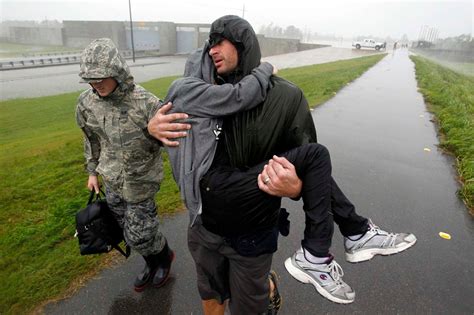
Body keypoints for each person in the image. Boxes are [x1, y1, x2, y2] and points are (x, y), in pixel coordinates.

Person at [149, 15, 416, 311]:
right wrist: (150, 130)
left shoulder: (285, 97)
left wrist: (296, 187)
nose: (212, 50)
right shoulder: (198, 95)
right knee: (211, 294)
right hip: (203, 226)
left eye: (219, 41)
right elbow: (177, 122)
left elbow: (310, 172)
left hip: (253, 233)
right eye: (208, 46)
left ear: (243, 42)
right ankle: (352, 234)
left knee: (249, 303)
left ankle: (328, 249)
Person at [75, 38, 174, 293]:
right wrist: (92, 171)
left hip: (142, 180)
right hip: (112, 179)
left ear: (116, 70)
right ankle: (150, 261)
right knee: (126, 229)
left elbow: (171, 138)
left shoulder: (146, 102)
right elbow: (91, 139)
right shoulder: (87, 103)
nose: (96, 84)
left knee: (140, 232)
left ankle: (164, 257)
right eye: (91, 79)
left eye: (101, 77)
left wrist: (151, 133)